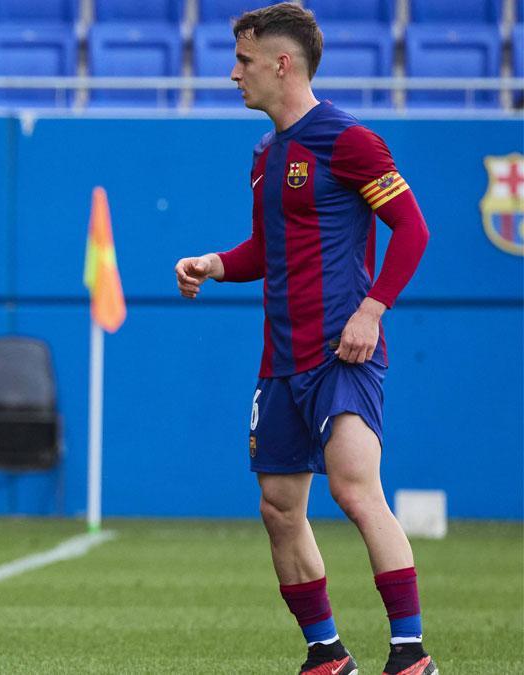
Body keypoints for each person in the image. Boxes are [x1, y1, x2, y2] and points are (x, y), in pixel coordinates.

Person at [173, 5, 433, 675]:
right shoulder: (265, 154)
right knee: (279, 507)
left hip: (342, 353)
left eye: (245, 61)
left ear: (281, 64)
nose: (234, 74)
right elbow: (265, 248)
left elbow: (413, 230)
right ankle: (327, 652)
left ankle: (411, 653)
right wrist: (215, 263)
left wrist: (371, 311)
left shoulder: (349, 140)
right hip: (280, 360)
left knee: (353, 487)